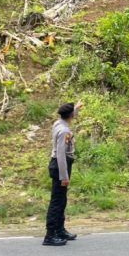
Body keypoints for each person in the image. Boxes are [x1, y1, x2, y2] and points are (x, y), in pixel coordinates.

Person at [43, 101, 78, 247]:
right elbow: (61, 155)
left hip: (58, 165)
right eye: (74, 113)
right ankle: (50, 235)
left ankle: (60, 229)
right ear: (70, 116)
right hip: (60, 165)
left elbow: (70, 114)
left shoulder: (58, 123)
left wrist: (76, 108)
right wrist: (64, 176)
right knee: (57, 202)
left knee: (62, 200)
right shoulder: (64, 131)